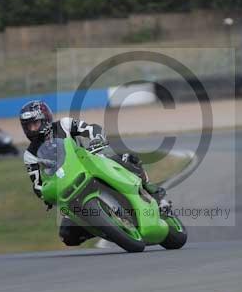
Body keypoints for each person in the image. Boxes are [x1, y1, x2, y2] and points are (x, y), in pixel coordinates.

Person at [19, 100, 169, 246]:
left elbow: (91, 129)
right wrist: (44, 193)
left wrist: (96, 138)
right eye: (27, 126)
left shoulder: (64, 125)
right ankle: (103, 227)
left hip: (90, 162)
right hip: (68, 186)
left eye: (34, 124)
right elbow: (37, 182)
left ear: (45, 119)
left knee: (127, 159)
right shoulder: (30, 155)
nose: (31, 129)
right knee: (67, 236)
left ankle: (154, 193)